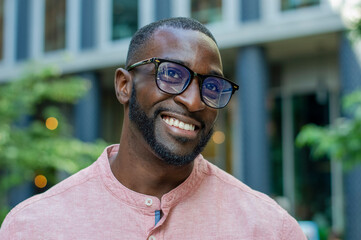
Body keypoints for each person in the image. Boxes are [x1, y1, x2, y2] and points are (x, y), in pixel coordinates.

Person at [0, 17, 306, 239]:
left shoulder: (268, 229)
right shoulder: (32, 227)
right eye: (172, 74)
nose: (193, 100)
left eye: (211, 86)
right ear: (124, 86)